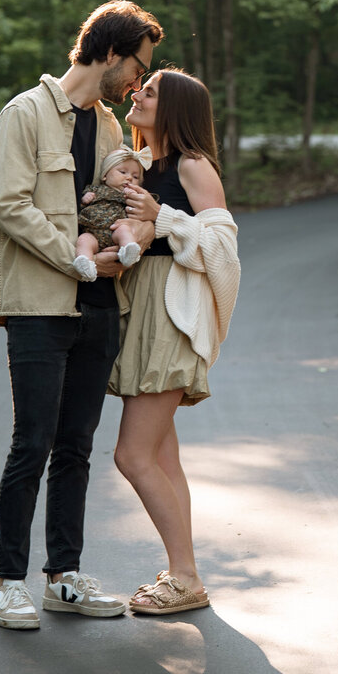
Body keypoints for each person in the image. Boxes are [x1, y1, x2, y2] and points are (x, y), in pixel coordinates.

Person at [0, 0, 164, 630]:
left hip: (100, 306)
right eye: (138, 65)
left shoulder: (111, 129)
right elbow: (11, 206)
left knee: (77, 446)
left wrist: (117, 255)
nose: (140, 80)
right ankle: (8, 583)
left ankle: (63, 576)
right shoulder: (23, 115)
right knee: (32, 442)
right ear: (111, 52)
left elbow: (110, 205)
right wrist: (76, 261)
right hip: (38, 303)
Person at [108, 67, 240, 615]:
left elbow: (223, 254)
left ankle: (186, 577)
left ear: (177, 109)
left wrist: (165, 219)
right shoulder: (146, 166)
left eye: (152, 91)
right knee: (163, 456)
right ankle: (182, 573)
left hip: (170, 317)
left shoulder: (191, 165)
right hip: (142, 313)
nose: (137, 94)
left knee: (132, 455)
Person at [71, 146, 153, 281]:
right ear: (104, 175)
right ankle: (85, 262)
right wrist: (86, 199)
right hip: (93, 233)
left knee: (125, 230)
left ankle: (128, 250)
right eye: (122, 172)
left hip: (116, 231)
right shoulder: (95, 190)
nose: (129, 178)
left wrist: (133, 196)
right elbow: (82, 206)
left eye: (135, 176)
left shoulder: (132, 196)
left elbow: (143, 211)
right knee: (83, 240)